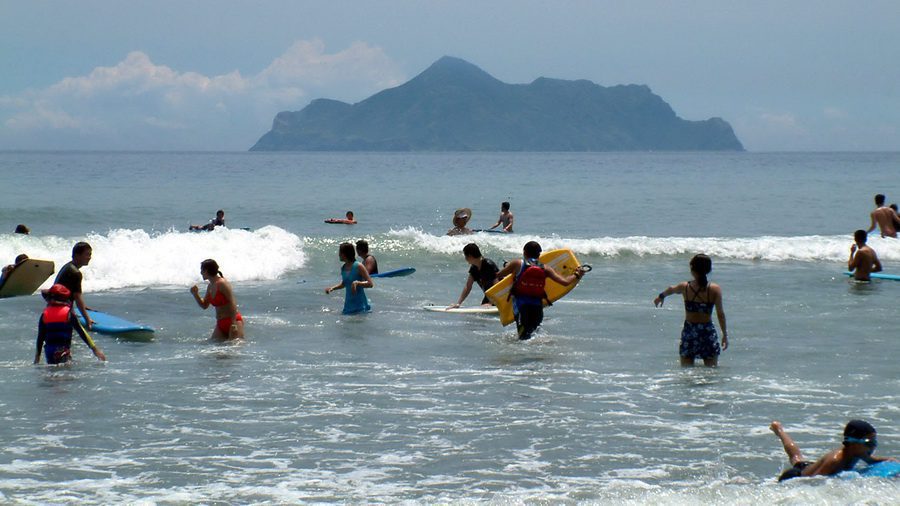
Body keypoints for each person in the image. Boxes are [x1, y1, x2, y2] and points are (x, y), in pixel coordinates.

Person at [495, 241, 586, 340]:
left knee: (523, 339)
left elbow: (498, 275)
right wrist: (578, 274)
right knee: (534, 336)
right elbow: (565, 282)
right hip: (537, 309)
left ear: (524, 252)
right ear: (539, 254)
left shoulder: (517, 264)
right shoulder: (546, 268)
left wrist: (509, 267)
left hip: (522, 308)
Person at [653, 254, 728, 367]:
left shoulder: (685, 287)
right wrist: (724, 335)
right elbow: (720, 314)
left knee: (686, 370)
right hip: (707, 332)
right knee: (711, 370)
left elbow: (671, 289)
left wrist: (660, 297)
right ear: (708, 270)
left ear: (692, 269)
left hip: (689, 332)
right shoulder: (714, 289)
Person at [770, 420, 896, 481]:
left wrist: (890, 461)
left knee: (797, 457)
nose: (873, 446)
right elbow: (812, 481)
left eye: (875, 442)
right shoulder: (835, 461)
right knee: (796, 459)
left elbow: (871, 461)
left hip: (810, 466)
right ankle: (779, 430)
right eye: (869, 442)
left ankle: (778, 430)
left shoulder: (859, 452)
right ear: (852, 443)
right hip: (797, 476)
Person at [34, 284, 106, 364]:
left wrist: (37, 357)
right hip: (63, 351)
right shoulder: (68, 314)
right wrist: (95, 349)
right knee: (66, 372)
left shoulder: (44, 315)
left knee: (53, 372)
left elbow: (40, 337)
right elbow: (81, 332)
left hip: (49, 352)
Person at [190, 259, 244, 339]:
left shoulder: (222, 283)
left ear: (207, 271)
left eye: (202, 270)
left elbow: (232, 302)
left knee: (234, 348)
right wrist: (195, 294)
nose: (201, 273)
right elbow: (204, 305)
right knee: (213, 347)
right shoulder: (210, 286)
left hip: (232, 321)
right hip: (220, 323)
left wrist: (233, 323)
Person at [54, 242, 94, 330]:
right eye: (87, 254)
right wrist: (87, 319)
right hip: (63, 312)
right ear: (77, 255)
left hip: (54, 307)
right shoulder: (76, 273)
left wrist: (83, 307)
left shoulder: (67, 266)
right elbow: (77, 297)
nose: (89, 257)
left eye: (90, 254)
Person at [325, 242, 374, 314]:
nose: (339, 255)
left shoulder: (358, 266)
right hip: (348, 307)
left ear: (345, 254)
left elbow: (370, 283)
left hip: (360, 307)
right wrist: (332, 288)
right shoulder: (343, 268)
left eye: (340, 252)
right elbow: (344, 284)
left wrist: (357, 283)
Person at [449, 243, 500, 308]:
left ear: (470, 256)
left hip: (500, 296)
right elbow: (468, 286)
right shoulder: (474, 268)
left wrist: (491, 303)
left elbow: (497, 285)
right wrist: (458, 303)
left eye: (465, 256)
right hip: (489, 297)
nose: (465, 259)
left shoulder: (489, 265)